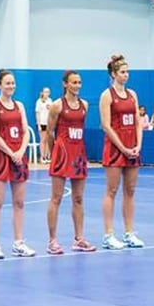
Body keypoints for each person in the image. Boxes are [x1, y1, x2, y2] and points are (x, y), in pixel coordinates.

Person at [45, 70, 97, 254]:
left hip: (78, 154)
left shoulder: (84, 105)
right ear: (65, 84)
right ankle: (52, 241)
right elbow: (50, 132)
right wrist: (55, 153)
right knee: (56, 197)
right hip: (63, 153)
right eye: (74, 82)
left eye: (79, 82)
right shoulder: (57, 106)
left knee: (78, 198)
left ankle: (79, 239)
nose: (77, 85)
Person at [0, 69, 34, 259]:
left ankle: (19, 242)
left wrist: (21, 151)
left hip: (18, 156)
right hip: (2, 156)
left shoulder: (19, 106)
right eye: (7, 83)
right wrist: (11, 152)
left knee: (19, 202)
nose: (11, 86)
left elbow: (25, 131)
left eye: (13, 82)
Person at [99, 54, 144, 250]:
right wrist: (123, 148)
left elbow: (137, 123)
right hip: (116, 148)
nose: (126, 75)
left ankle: (129, 232)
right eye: (122, 72)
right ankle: (108, 234)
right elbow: (106, 125)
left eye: (127, 72)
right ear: (113, 74)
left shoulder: (132, 95)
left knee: (130, 191)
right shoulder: (107, 95)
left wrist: (138, 145)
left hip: (132, 146)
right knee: (112, 190)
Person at [35, 87, 53, 163]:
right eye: (45, 92)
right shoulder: (39, 101)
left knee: (48, 140)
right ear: (42, 93)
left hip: (49, 123)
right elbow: (37, 113)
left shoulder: (50, 101)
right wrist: (38, 124)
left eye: (48, 92)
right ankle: (42, 157)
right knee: (43, 140)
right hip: (42, 123)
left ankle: (47, 156)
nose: (46, 93)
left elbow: (52, 113)